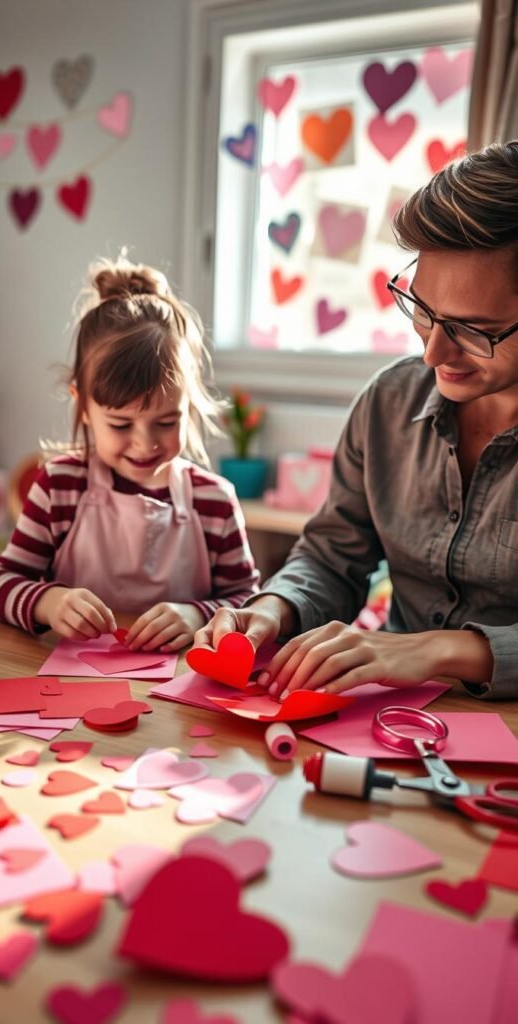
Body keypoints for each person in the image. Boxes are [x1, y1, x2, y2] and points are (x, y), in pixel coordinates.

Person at [195, 141, 518, 701]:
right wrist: (275, 609)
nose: (433, 354)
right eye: (422, 310)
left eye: (472, 329)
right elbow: (331, 555)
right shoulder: (389, 401)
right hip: (390, 712)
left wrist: (433, 649)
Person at [0, 255, 260, 649]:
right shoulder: (59, 487)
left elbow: (250, 603)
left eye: (166, 422)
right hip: (66, 689)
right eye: (120, 424)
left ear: (190, 406)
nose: (145, 443)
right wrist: (48, 601)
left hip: (177, 696)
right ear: (82, 406)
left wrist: (199, 614)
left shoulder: (214, 502)